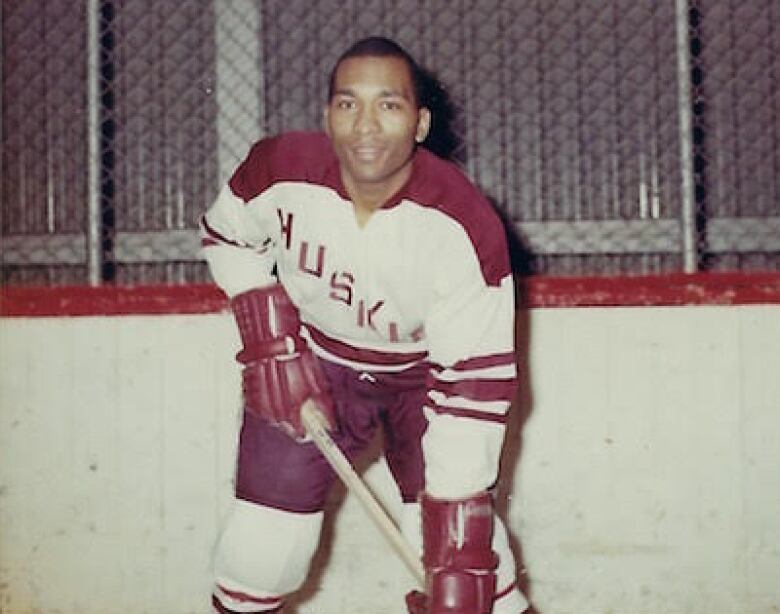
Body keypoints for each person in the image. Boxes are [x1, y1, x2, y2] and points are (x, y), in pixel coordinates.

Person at [201, 35, 530, 614]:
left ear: (421, 123)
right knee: (260, 550)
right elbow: (228, 236)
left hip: (427, 379)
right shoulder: (278, 170)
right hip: (315, 361)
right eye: (349, 104)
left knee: (471, 568)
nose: (367, 126)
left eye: (390, 105)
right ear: (327, 116)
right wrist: (268, 339)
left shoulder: (463, 227)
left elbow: (471, 389)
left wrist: (454, 547)